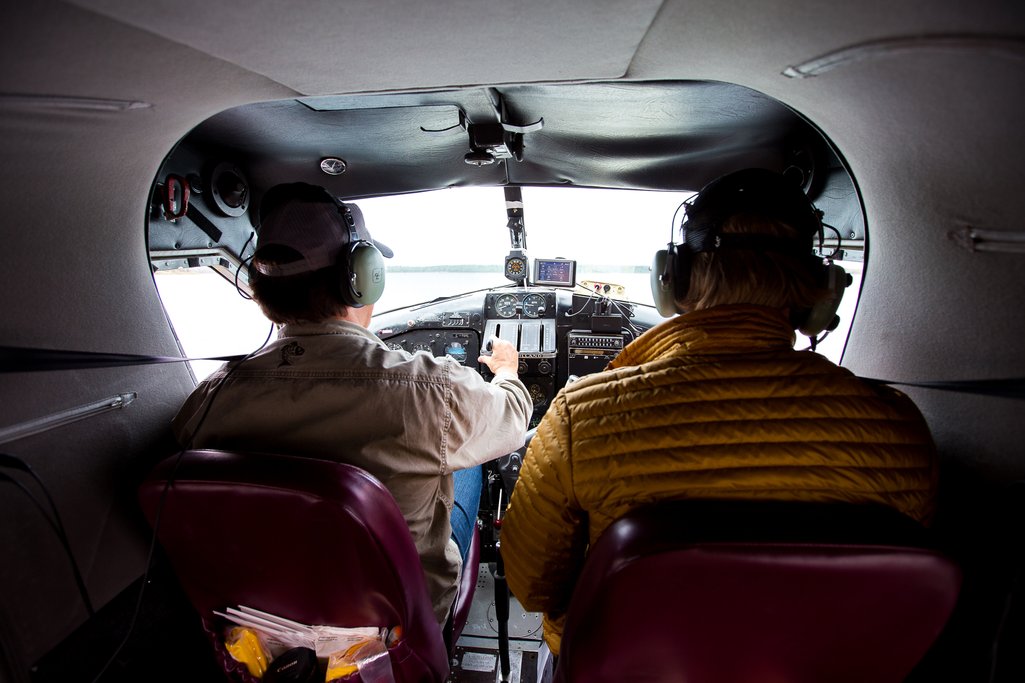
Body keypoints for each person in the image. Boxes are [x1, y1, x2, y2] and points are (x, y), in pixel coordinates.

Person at [500, 168, 938, 656]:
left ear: (673, 278)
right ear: (820, 291)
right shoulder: (899, 429)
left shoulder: (583, 416)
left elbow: (532, 585)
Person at [172, 182, 532, 625]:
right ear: (362, 277)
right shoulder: (430, 392)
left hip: (265, 622)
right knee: (466, 457)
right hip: (398, 631)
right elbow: (513, 420)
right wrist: (508, 373)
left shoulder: (208, 400)